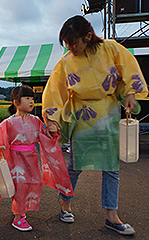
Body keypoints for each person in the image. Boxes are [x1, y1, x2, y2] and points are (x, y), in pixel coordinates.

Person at [42, 15, 148, 236]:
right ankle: (65, 204)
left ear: (88, 36)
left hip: (107, 111)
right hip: (83, 114)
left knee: (111, 167)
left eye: (74, 42)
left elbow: (128, 67)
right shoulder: (66, 61)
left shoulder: (110, 48)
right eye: (67, 43)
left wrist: (130, 92)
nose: (70, 47)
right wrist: (52, 118)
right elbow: (55, 89)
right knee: (76, 164)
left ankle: (112, 216)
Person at [0, 85, 73, 231]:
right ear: (16, 101)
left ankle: (20, 210)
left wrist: (52, 130)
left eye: (33, 99)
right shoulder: (8, 122)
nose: (31, 102)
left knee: (33, 182)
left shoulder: (36, 120)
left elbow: (46, 135)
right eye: (27, 98)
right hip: (15, 159)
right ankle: (18, 216)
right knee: (20, 185)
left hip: (31, 157)